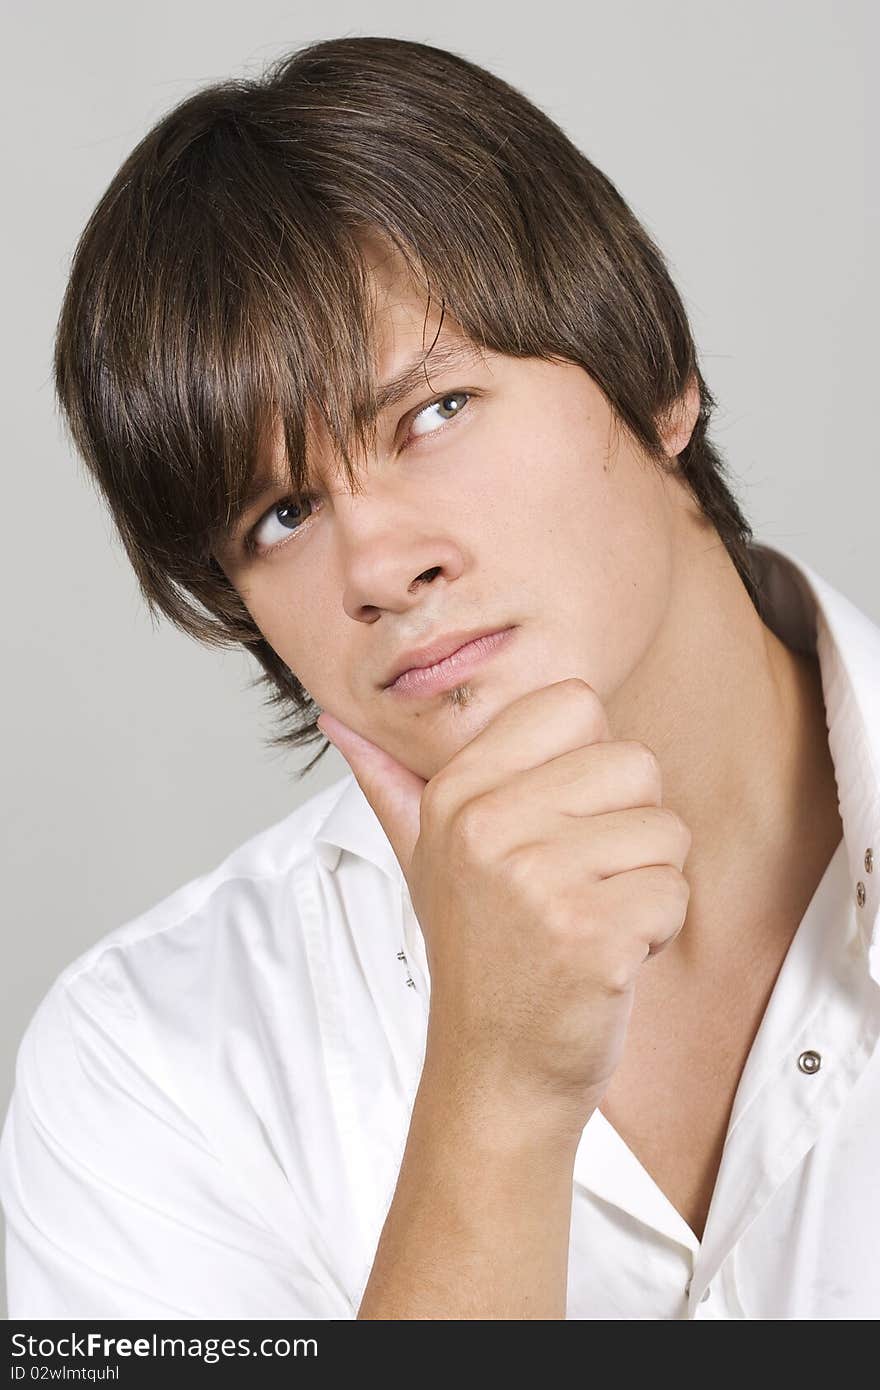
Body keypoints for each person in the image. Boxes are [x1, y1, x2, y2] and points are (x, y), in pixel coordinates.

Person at [1, 33, 877, 1321]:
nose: (379, 563)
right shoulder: (151, 1057)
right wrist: (497, 1091)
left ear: (655, 377)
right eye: (282, 516)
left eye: (435, 413)